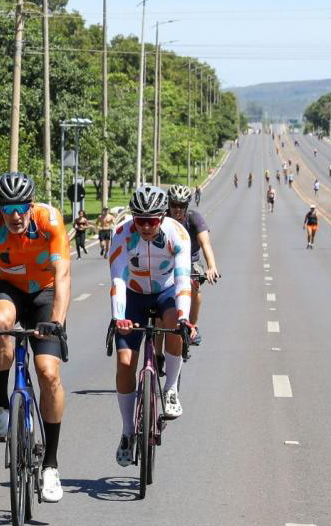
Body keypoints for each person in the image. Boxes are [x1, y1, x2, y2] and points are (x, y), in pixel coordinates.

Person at [0, 172, 70, 502]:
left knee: (48, 373)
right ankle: (0, 406)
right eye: (8, 208)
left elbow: (62, 274)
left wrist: (57, 321)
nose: (15, 215)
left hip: (45, 292)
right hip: (8, 287)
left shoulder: (50, 221)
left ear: (31, 205)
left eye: (21, 207)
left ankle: (50, 465)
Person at [109, 186, 197, 465]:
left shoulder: (177, 233)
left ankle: (170, 388)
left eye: (152, 220)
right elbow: (118, 280)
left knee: (174, 324)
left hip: (165, 291)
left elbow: (183, 278)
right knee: (125, 361)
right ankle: (126, 431)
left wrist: (184, 317)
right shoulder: (122, 234)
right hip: (133, 294)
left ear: (162, 217)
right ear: (133, 218)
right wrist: (118, 316)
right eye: (140, 220)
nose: (146, 226)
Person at [166, 185, 220, 326]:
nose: (177, 209)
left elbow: (205, 244)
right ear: (168, 204)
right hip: (166, 261)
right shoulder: (162, 218)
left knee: (194, 286)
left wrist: (211, 267)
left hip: (190, 262)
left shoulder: (193, 218)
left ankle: (192, 326)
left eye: (181, 206)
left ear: (186, 206)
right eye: (174, 205)